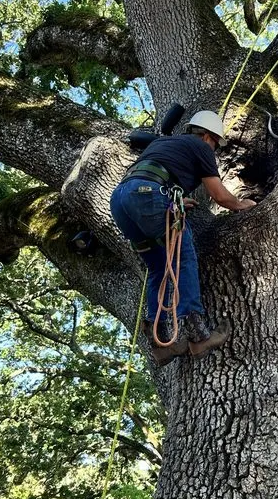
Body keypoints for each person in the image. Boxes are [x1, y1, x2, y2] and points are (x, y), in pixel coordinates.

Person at [110, 110, 256, 365]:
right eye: (215, 144)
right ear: (208, 136)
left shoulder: (163, 143)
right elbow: (219, 196)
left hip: (121, 200)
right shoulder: (201, 148)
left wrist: (170, 198)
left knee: (157, 267)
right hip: (149, 196)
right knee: (184, 258)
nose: (214, 149)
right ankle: (197, 333)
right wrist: (242, 204)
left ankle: (161, 343)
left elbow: (154, 175)